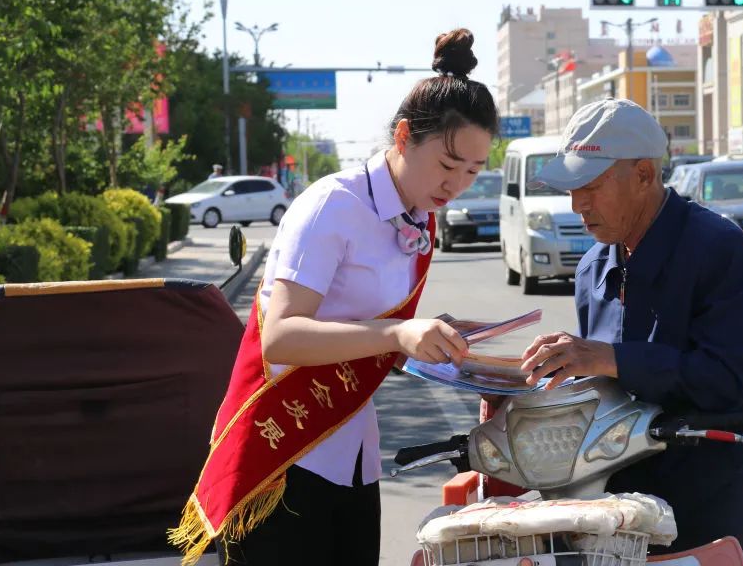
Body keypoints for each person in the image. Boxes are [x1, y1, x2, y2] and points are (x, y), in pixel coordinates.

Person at [171, 29, 500, 566]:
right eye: (447, 165)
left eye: (472, 171)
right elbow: (281, 336)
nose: (457, 184)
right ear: (402, 136)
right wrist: (396, 333)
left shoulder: (419, 218)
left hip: (353, 454)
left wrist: (419, 344)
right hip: (283, 457)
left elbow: (362, 337)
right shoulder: (333, 206)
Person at [520, 98, 743, 566]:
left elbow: (727, 381)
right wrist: (531, 392)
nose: (577, 205)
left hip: (727, 505)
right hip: (629, 509)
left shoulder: (720, 251)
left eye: (591, 186)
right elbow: (609, 392)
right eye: (572, 189)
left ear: (645, 175)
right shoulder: (592, 267)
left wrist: (610, 358)